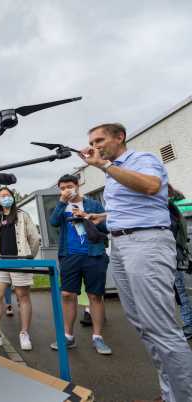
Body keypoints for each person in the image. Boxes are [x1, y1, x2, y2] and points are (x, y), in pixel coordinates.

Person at [82, 123, 192, 401]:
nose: (95, 146)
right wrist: (104, 217)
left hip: (146, 244)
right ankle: (170, 392)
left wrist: (104, 167)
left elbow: (152, 186)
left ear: (120, 137)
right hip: (121, 245)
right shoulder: (114, 170)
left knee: (161, 326)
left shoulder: (141, 160)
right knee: (143, 324)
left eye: (100, 140)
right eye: (92, 142)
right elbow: (135, 206)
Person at [48, 174, 112, 355]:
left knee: (95, 296)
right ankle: (68, 336)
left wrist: (86, 217)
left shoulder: (93, 204)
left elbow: (106, 227)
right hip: (70, 256)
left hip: (94, 254)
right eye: (62, 188)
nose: (66, 190)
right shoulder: (60, 206)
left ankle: (98, 337)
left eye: (69, 186)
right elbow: (53, 222)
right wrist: (61, 203)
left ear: (77, 186)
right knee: (67, 294)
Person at [0, 187, 40, 351]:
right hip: (1, 262)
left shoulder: (22, 215)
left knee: (22, 296)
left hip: (19, 261)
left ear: (12, 197)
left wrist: (28, 258)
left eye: (8, 195)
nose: (6, 198)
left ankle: (24, 333)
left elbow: (34, 239)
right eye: (2, 196)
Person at [168, 184, 192, 340]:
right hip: (183, 253)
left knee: (181, 292)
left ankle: (189, 325)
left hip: (177, 255)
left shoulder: (168, 209)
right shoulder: (186, 204)